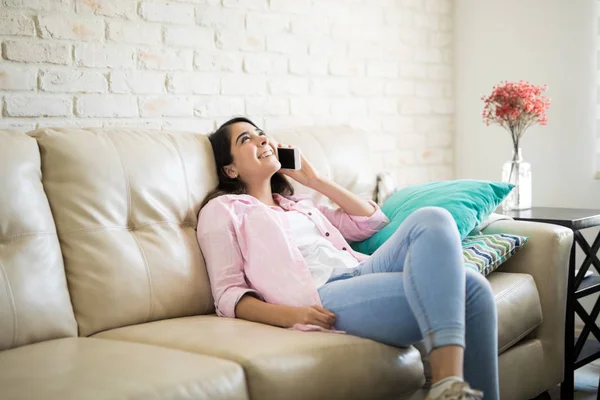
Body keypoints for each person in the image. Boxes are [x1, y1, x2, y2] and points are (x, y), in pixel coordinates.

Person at [196, 117, 499, 400]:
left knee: (434, 219)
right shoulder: (223, 210)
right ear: (230, 170)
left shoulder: (299, 205)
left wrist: (315, 181)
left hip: (363, 269)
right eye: (246, 139)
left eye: (262, 134)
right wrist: (291, 314)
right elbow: (228, 293)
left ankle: (448, 385)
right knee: (472, 291)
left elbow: (372, 221)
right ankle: (448, 386)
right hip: (324, 293)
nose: (262, 140)